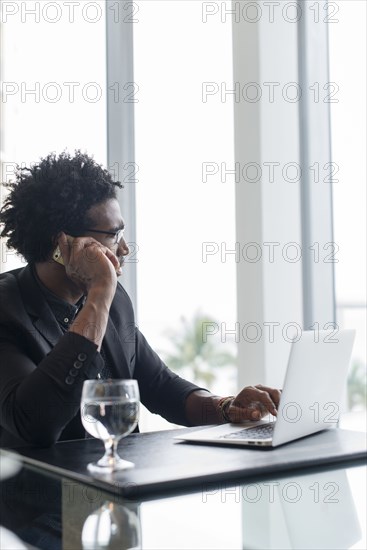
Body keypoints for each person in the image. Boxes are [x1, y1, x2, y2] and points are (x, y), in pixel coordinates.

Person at [0, 151, 281, 448]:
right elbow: (33, 423)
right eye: (113, 235)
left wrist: (227, 407)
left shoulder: (113, 300)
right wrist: (99, 295)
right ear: (63, 245)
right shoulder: (9, 309)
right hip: (34, 490)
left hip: (115, 484)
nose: (124, 249)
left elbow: (160, 386)